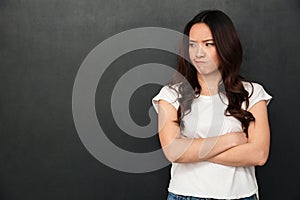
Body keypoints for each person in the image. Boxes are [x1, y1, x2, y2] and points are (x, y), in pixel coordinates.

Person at [152, 10, 272, 200]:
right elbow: (173, 151)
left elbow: (258, 154)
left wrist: (191, 151)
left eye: (208, 44)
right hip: (185, 195)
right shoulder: (171, 94)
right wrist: (229, 141)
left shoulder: (252, 93)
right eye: (192, 45)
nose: (198, 53)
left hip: (241, 196)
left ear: (226, 47)